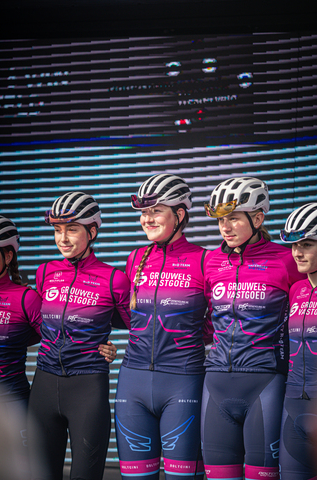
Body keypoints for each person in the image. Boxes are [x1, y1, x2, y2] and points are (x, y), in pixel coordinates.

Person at [104, 173, 213, 480]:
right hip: (132, 380)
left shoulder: (204, 260)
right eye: (144, 212)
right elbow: (129, 315)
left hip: (183, 381)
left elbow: (221, 321)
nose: (147, 219)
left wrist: (188, 335)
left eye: (156, 211)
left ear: (179, 215)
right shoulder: (135, 258)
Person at [201, 177, 304, 480]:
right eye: (221, 219)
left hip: (266, 383)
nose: (225, 227)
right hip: (216, 382)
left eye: (233, 218)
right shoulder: (211, 261)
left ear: (257, 218)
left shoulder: (287, 259)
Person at [27, 191, 131, 480]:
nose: (63, 238)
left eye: (72, 229)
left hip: (87, 388)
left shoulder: (114, 279)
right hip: (44, 384)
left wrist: (109, 346)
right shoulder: (45, 272)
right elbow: (38, 325)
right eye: (58, 230)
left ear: (92, 231)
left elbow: (131, 324)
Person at [0, 215, 42, 479]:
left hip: (13, 409)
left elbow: (54, 343)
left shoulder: (26, 298)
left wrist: (101, 348)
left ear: (9, 255)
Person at [279, 202, 317, 480]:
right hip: (293, 404)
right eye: (294, 245)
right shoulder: (297, 289)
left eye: (306, 244)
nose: (297, 253)